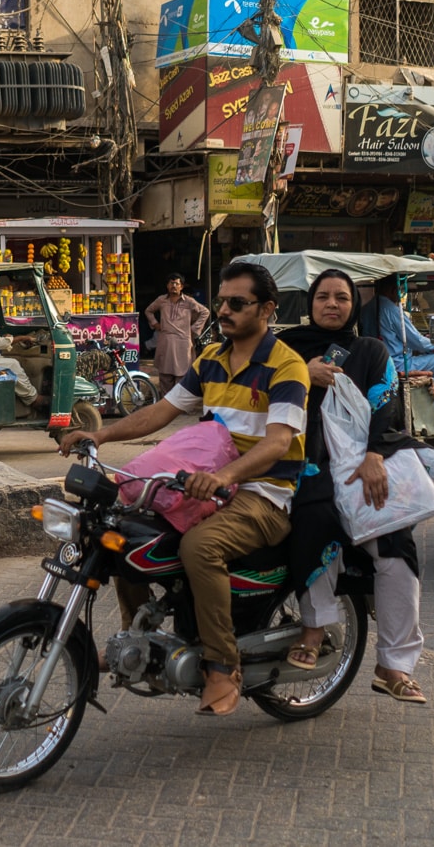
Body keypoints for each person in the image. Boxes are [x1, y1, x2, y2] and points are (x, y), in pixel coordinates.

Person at [60, 261, 309, 717]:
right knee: (122, 533)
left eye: (238, 303)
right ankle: (136, 641)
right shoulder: (211, 357)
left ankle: (221, 665)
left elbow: (279, 441)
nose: (225, 310)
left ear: (267, 309)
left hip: (264, 494)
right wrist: (101, 436)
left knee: (200, 547)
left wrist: (225, 478)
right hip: (212, 486)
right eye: (222, 301)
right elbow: (160, 412)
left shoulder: (285, 365)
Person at [279, 269, 428, 703]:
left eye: (341, 297)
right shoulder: (287, 349)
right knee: (315, 511)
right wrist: (301, 373)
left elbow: (387, 402)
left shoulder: (370, 350)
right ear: (309, 304)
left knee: (396, 540)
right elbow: (259, 393)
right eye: (322, 297)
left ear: (353, 305)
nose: (331, 304)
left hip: (364, 460)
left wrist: (375, 455)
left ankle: (394, 665)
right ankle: (314, 627)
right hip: (304, 460)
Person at [360, 277, 434, 383]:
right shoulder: (392, 310)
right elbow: (417, 342)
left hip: (375, 363)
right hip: (397, 365)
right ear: (394, 290)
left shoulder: (366, 308)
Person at [145, 273, 209, 394]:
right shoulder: (161, 300)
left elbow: (205, 312)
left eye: (177, 283)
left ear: (182, 286)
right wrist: (155, 324)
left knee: (183, 374)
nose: (174, 286)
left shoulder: (189, 302)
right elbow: (148, 311)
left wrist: (194, 329)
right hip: (166, 341)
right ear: (167, 286)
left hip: (183, 342)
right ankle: (166, 405)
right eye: (171, 283)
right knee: (165, 375)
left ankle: (178, 405)